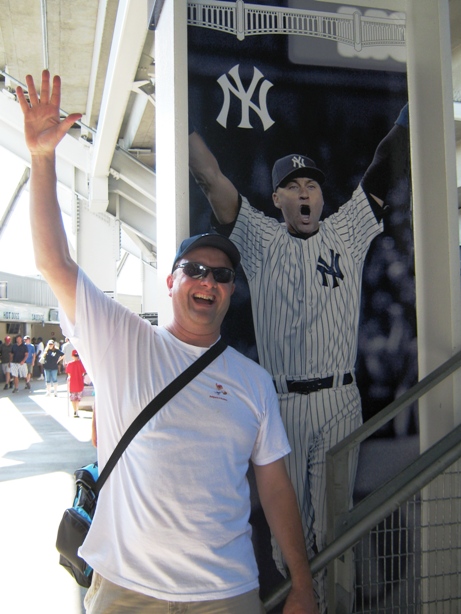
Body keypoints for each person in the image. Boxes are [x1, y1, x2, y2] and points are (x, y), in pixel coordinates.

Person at [18, 69, 318, 614]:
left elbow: (275, 490)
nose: (208, 281)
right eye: (195, 269)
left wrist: (302, 582)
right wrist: (42, 161)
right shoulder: (121, 341)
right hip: (124, 593)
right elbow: (54, 264)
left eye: (222, 276)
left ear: (230, 293)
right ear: (171, 281)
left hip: (225, 595)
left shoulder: (253, 383)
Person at [189, 105, 409, 611]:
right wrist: (180, 121)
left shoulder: (347, 231)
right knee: (287, 541)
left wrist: (407, 115)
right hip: (282, 406)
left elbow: (381, 164)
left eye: (312, 184)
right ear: (277, 199)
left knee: (336, 531)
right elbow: (209, 176)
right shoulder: (260, 237)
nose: (306, 191)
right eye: (294, 185)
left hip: (337, 400)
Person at [66, 349, 86, 417]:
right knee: (77, 398)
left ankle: (75, 410)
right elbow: (83, 372)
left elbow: (69, 374)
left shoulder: (70, 364)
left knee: (73, 398)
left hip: (72, 383)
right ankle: (76, 410)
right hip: (79, 382)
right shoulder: (81, 363)